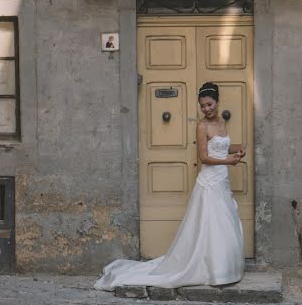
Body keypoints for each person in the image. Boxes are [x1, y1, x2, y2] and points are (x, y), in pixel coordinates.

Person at [95, 82, 245, 290]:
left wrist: (239, 149)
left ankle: (226, 269)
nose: (207, 109)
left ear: (218, 102)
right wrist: (229, 161)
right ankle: (213, 271)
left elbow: (222, 145)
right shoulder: (202, 126)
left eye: (210, 104)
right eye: (203, 106)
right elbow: (204, 157)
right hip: (209, 181)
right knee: (211, 222)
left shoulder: (221, 122)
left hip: (222, 180)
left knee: (224, 222)